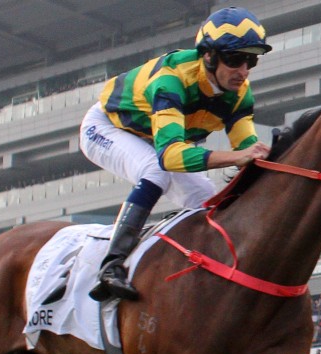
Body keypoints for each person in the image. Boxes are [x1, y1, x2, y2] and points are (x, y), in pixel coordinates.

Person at [82, 7, 273, 301]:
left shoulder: (240, 93)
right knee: (155, 170)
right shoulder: (172, 79)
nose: (244, 71)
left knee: (205, 198)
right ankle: (111, 265)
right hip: (107, 127)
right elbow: (170, 157)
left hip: (156, 139)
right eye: (236, 60)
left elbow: (247, 151)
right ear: (208, 56)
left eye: (252, 60)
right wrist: (236, 158)